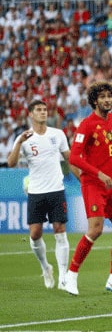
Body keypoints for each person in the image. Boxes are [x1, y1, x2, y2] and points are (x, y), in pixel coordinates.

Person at [64, 82, 112, 296]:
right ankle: (71, 276)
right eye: (102, 97)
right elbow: (74, 157)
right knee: (96, 229)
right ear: (94, 100)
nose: (107, 100)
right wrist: (98, 174)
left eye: (109, 96)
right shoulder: (86, 124)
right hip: (94, 184)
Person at [7, 99, 77, 290]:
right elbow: (11, 163)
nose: (43, 112)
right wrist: (19, 142)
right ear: (31, 114)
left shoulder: (58, 134)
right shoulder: (24, 138)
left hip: (56, 189)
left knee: (60, 231)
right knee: (35, 233)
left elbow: (70, 160)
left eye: (45, 109)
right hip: (36, 192)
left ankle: (63, 276)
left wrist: (83, 180)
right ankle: (46, 267)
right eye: (38, 109)